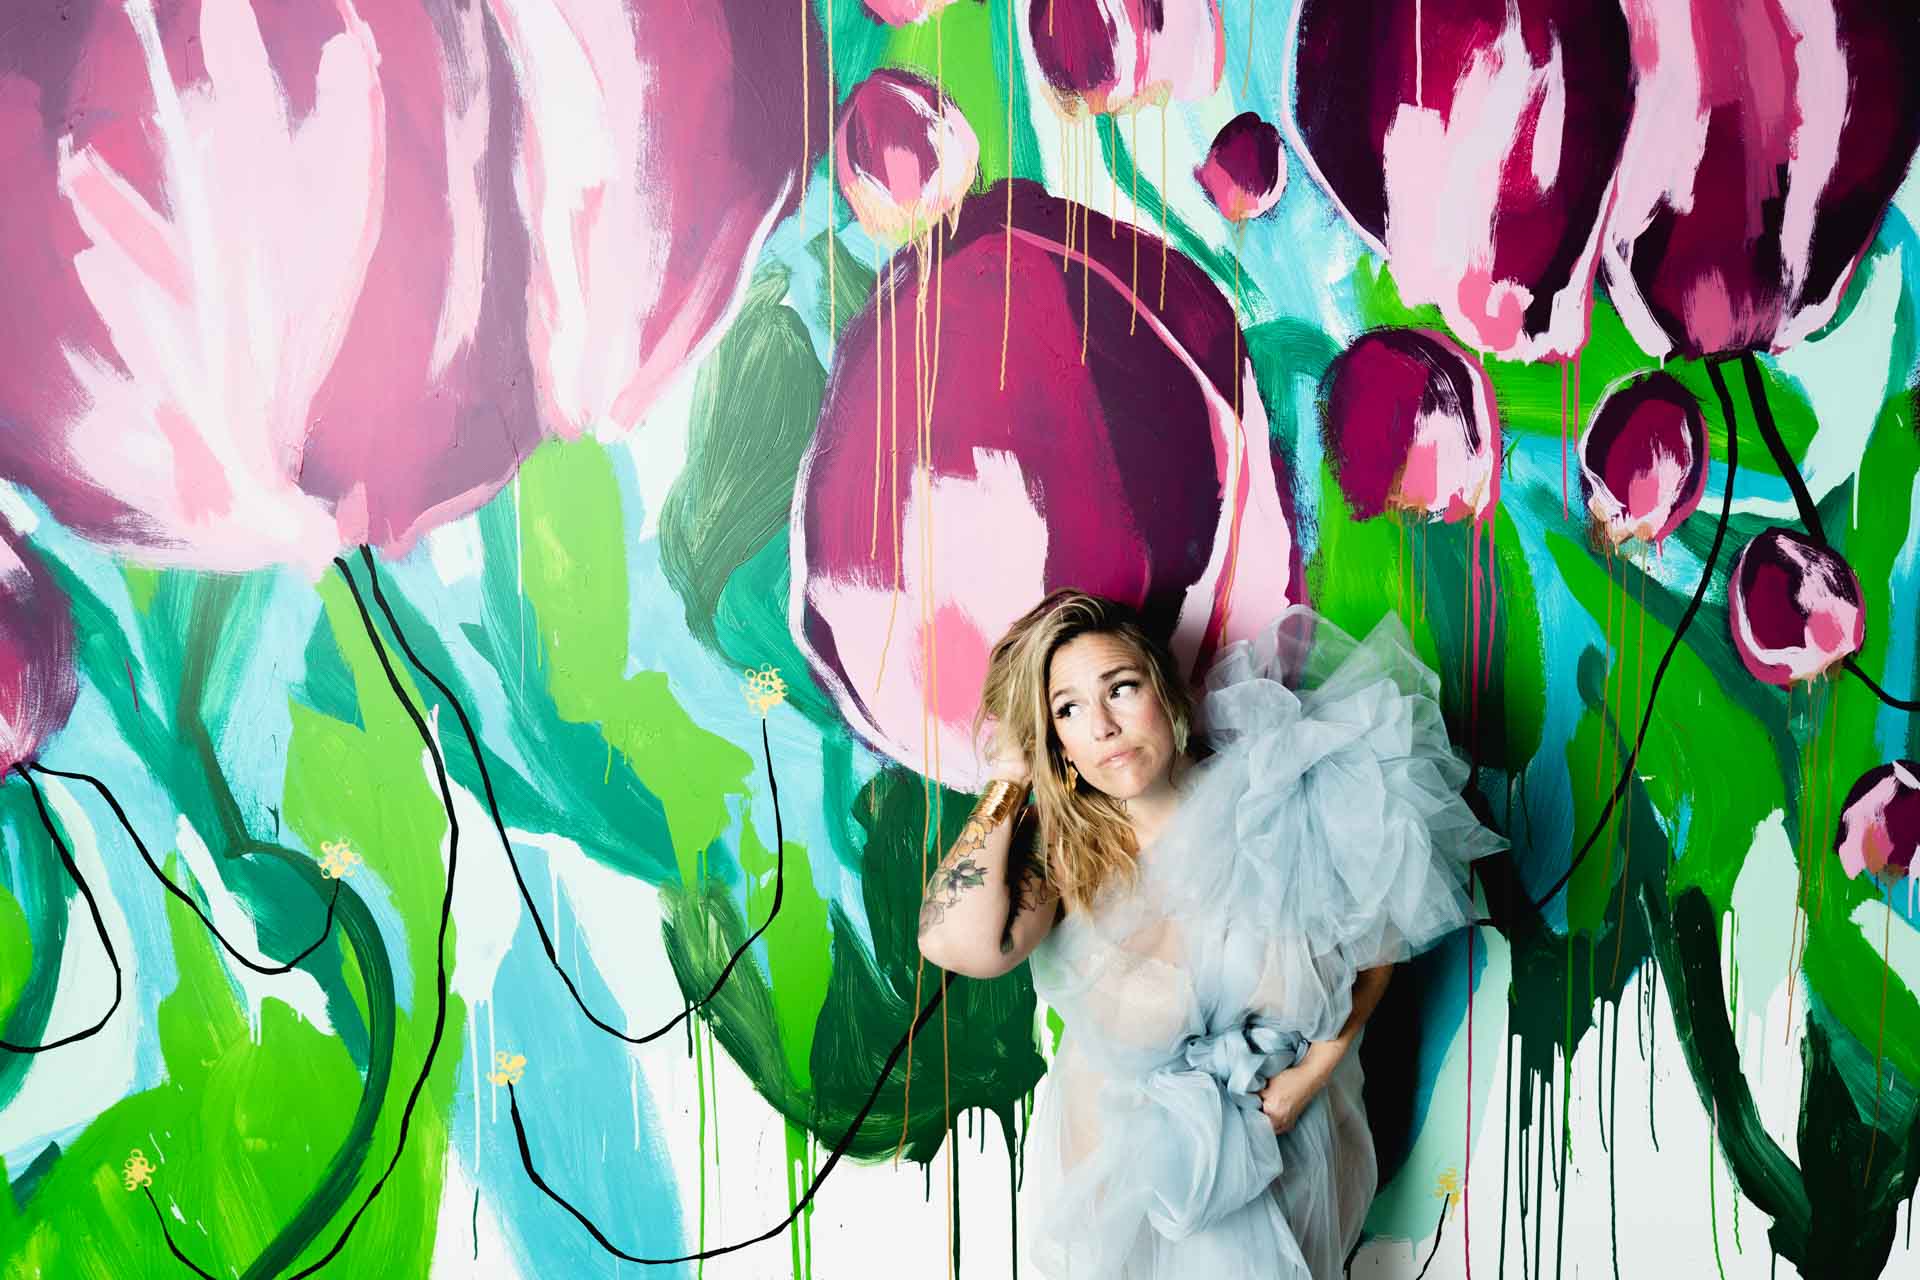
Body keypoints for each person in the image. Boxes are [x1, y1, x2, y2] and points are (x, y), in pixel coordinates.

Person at [915, 589, 1507, 1279]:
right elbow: (955, 943)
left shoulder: (1271, 795)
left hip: (1280, 1161)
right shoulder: (1067, 859)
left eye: (1121, 689)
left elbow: (1377, 950)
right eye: (1067, 710)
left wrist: (1309, 1079)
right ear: (1056, 742)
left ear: (1164, 693)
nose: (1102, 726)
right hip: (1125, 1194)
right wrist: (1011, 779)